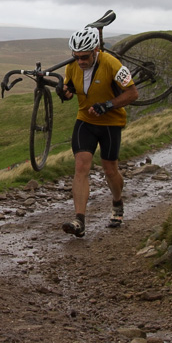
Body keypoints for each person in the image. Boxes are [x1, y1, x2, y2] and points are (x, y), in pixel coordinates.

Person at [58, 27, 139, 237]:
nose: (80, 61)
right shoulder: (72, 67)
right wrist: (64, 93)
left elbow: (133, 94)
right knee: (81, 166)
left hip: (111, 123)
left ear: (95, 50)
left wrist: (108, 105)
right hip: (85, 121)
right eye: (76, 56)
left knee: (110, 170)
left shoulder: (112, 64)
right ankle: (79, 220)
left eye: (84, 57)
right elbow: (70, 90)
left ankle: (117, 202)